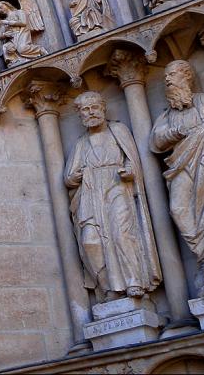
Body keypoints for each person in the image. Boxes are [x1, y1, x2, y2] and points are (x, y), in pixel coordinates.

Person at [65, 92, 161, 301]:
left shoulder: (117, 130)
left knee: (121, 233)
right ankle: (110, 288)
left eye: (94, 108)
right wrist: (76, 176)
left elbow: (133, 160)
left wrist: (129, 170)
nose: (90, 113)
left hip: (117, 187)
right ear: (80, 115)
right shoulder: (81, 143)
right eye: (85, 110)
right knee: (91, 241)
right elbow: (69, 179)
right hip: (91, 194)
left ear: (103, 109)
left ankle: (133, 281)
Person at [150, 60, 204, 290]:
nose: (167, 80)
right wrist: (174, 132)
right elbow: (155, 142)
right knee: (178, 209)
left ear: (187, 76)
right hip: (181, 166)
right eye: (166, 76)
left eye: (172, 74)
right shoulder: (168, 115)